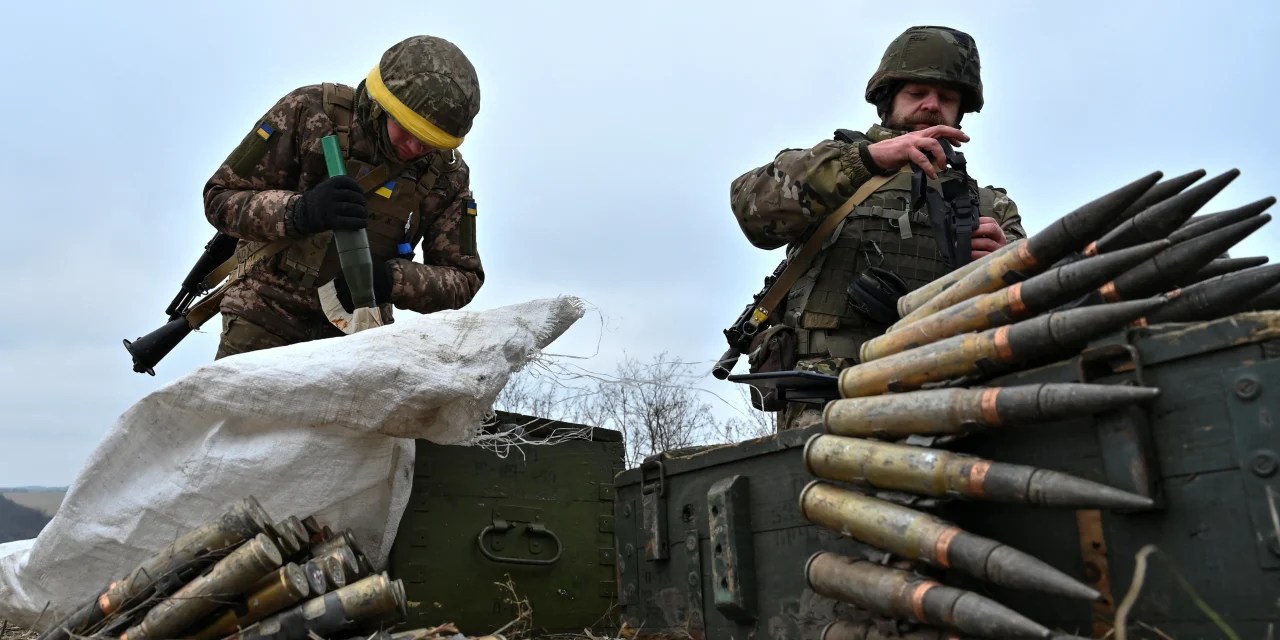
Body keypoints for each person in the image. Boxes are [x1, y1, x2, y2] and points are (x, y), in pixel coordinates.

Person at [729, 25, 1027, 430]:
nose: (931, 106)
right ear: (887, 100)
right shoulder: (831, 170)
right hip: (829, 390)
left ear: (961, 111)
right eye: (917, 94)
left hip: (946, 391)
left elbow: (1029, 310)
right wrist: (866, 160)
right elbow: (752, 210)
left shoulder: (991, 206)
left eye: (947, 98)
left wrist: (1005, 265)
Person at [203, 35, 484, 359]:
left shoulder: (447, 175)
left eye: (429, 141)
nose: (414, 147)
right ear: (382, 105)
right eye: (406, 130)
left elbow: (464, 278)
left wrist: (392, 281)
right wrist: (300, 211)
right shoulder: (309, 112)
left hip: (357, 336)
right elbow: (220, 198)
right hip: (265, 313)